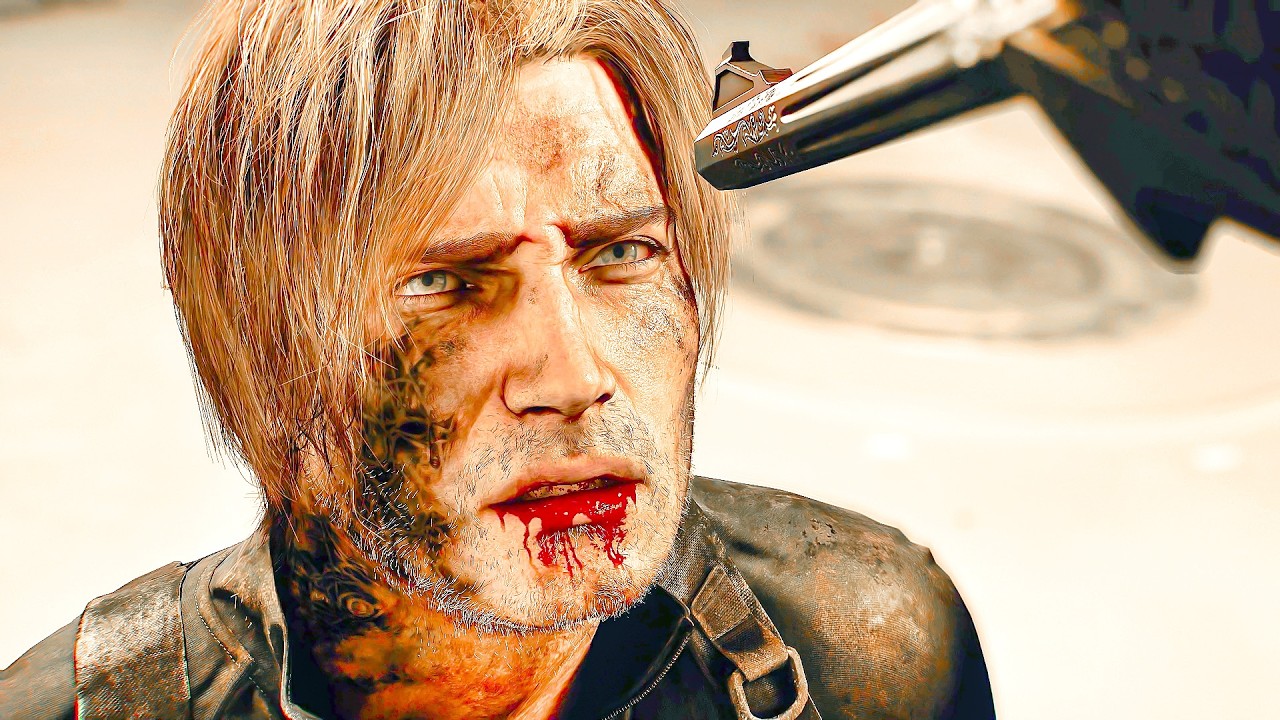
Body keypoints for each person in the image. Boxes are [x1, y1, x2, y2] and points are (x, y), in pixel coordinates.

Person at [0, 1, 994, 718]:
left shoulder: (870, 649)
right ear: (262, 352)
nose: (573, 378)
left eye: (622, 254)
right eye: (442, 281)